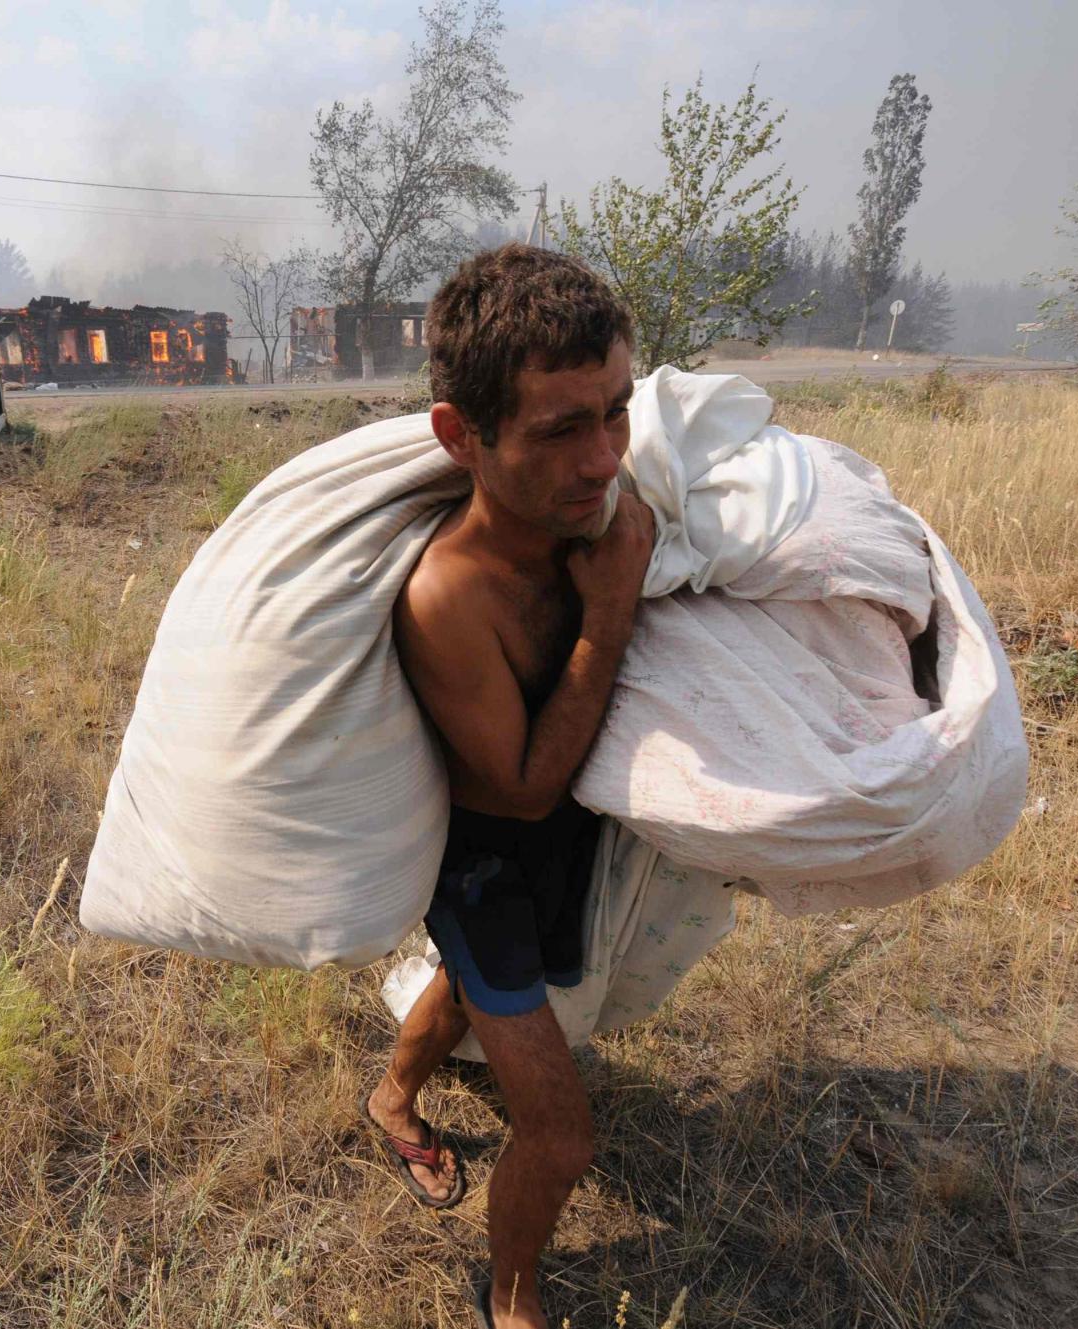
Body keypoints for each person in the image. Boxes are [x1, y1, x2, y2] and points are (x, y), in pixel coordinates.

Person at [359, 245, 653, 1329]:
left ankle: (392, 1096)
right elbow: (522, 790)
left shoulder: (607, 518)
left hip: (572, 843)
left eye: (615, 413)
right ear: (461, 437)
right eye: (559, 430)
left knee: (461, 995)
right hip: (486, 863)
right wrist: (612, 610)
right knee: (561, 1134)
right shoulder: (450, 596)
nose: (602, 458)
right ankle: (513, 1298)